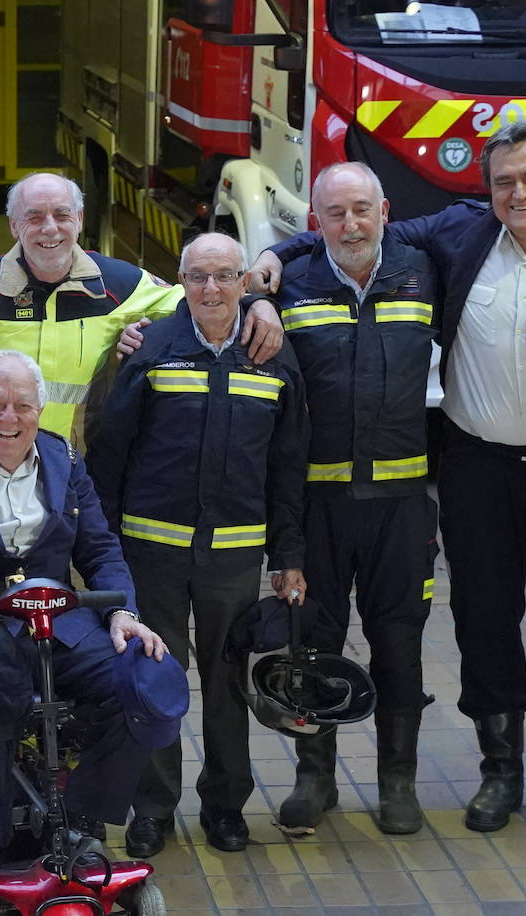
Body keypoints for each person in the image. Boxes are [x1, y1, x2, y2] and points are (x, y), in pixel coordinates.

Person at [253, 121, 526, 842]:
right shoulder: (460, 236)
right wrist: (269, 259)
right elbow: (350, 226)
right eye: (504, 181)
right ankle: (500, 774)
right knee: (485, 623)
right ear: (487, 191)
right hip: (478, 469)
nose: (518, 193)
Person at [0, 349, 178, 870]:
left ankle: (81, 821)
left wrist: (122, 613)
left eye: (23, 405)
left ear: (39, 411)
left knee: (148, 682)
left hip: (51, 616)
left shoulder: (65, 461)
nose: (9, 418)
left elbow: (99, 549)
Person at [88, 233, 309, 856]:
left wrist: (289, 557)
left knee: (227, 681)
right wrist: (101, 557)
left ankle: (225, 807)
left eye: (223, 276)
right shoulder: (151, 348)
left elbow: (288, 467)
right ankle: (153, 808)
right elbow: (110, 454)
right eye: (197, 277)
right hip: (150, 553)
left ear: (245, 281)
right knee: (153, 683)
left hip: (234, 557)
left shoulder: (272, 353)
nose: (211, 290)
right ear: (180, 281)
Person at [264, 162, 440, 836]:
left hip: (400, 508)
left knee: (400, 647)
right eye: (334, 213)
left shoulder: (425, 272)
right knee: (312, 646)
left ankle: (398, 781)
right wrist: (267, 271)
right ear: (316, 222)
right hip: (317, 507)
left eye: (362, 209)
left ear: (385, 210)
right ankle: (316, 777)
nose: (350, 224)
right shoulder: (290, 287)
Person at [0, 173, 285, 447]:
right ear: (13, 225)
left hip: (73, 469)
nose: (50, 228)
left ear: (79, 219)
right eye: (34, 218)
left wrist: (257, 303)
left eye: (62, 215)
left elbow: (202, 297)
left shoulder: (121, 284)